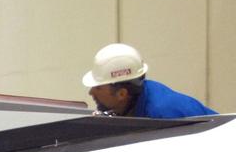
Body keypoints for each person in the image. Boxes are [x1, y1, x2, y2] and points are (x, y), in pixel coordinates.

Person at [82, 43, 216, 118]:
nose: (91, 92)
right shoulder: (137, 99)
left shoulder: (163, 114)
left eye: (98, 87)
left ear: (122, 94)